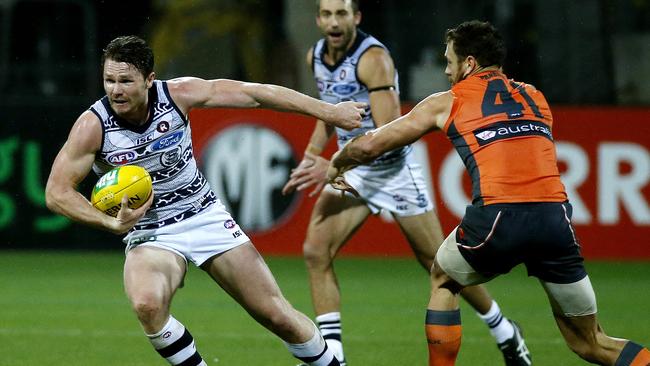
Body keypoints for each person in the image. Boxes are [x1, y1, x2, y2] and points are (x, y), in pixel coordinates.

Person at [327, 20, 650, 366]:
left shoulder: (447, 101)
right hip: (555, 223)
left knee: (442, 275)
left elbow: (372, 145)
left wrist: (339, 160)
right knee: (591, 343)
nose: (447, 71)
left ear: (469, 63)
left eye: (449, 62)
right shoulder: (535, 97)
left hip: (499, 216)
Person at [45, 35, 367, 366]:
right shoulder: (93, 126)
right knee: (147, 304)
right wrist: (108, 221)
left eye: (126, 80)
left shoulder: (179, 94)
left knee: (276, 315)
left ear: (150, 79)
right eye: (109, 80)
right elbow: (57, 192)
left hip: (204, 216)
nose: (115, 90)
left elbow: (255, 95)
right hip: (151, 232)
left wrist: (330, 111)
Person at [282, 2, 531, 365]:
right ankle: (333, 354)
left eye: (342, 13)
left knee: (440, 264)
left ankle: (504, 330)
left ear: (357, 17)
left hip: (392, 169)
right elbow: (328, 110)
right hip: (353, 167)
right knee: (315, 251)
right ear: (318, 19)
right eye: (327, 14)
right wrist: (312, 155)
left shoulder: (373, 59)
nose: (334, 22)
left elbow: (387, 135)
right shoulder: (316, 55)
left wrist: (334, 164)